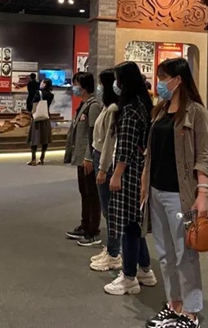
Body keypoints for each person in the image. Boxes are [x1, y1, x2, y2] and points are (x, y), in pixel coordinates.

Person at [141, 58, 208, 328]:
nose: (159, 83)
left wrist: (203, 192)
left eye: (163, 77)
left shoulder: (196, 112)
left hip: (181, 194)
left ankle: (191, 312)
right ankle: (174, 305)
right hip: (157, 191)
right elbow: (151, 153)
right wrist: (144, 186)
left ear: (178, 80)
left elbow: (203, 155)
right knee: (164, 252)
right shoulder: (160, 110)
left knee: (185, 253)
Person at [104, 62, 157, 296]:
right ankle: (145, 269)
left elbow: (125, 145)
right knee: (136, 222)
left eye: (118, 79)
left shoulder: (130, 110)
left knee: (129, 225)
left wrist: (116, 174)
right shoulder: (144, 105)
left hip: (129, 174)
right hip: (140, 171)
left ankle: (129, 277)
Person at [64, 72, 102, 247]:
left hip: (88, 158)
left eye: (76, 84)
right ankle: (84, 225)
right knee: (84, 193)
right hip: (81, 158)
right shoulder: (84, 105)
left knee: (91, 194)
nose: (74, 87)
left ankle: (93, 230)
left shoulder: (93, 106)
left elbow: (94, 134)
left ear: (84, 86)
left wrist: (89, 156)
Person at [90, 69, 122, 271]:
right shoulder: (106, 107)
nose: (99, 88)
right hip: (98, 155)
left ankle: (114, 252)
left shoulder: (113, 109)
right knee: (106, 208)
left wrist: (103, 168)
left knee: (110, 209)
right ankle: (111, 248)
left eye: (101, 84)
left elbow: (109, 142)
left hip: (105, 160)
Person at [26, 79, 53, 166]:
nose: (40, 84)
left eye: (41, 82)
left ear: (44, 84)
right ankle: (42, 158)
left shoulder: (38, 93)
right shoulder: (51, 95)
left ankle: (33, 159)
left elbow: (33, 104)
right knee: (45, 138)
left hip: (37, 117)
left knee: (34, 138)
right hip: (46, 116)